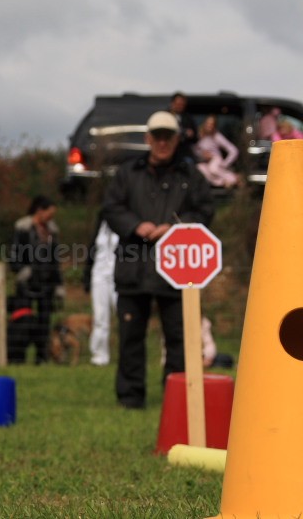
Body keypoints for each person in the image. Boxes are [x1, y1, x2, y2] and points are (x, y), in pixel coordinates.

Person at [102, 111, 214, 409]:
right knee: (130, 338)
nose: (163, 142)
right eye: (158, 136)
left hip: (177, 271)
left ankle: (176, 398)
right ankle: (130, 398)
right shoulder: (127, 173)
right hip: (133, 266)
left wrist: (176, 227)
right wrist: (135, 226)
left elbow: (205, 212)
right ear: (148, 139)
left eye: (169, 137)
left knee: (179, 339)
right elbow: (111, 208)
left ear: (177, 139)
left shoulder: (192, 176)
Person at [9, 195, 64, 365]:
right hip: (28, 281)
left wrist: (59, 284)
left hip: (47, 281)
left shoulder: (52, 232)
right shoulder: (23, 228)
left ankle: (42, 357)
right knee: (23, 320)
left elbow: (55, 260)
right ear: (40, 210)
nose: (51, 217)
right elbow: (14, 252)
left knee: (44, 321)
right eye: (49, 213)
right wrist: (21, 269)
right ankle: (18, 355)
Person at [83, 213, 119, 367]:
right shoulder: (102, 224)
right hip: (99, 275)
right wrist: (86, 276)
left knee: (124, 315)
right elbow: (92, 249)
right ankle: (99, 356)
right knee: (100, 317)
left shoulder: (130, 219)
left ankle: (127, 354)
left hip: (120, 275)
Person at [194, 114, 240, 188]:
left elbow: (234, 150)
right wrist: (202, 155)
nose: (209, 126)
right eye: (208, 124)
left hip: (216, 159)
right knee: (200, 169)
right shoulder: (200, 135)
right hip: (204, 161)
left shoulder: (217, 136)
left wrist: (225, 164)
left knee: (213, 169)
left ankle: (233, 178)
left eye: (212, 124)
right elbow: (195, 150)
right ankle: (223, 182)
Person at [168, 92, 198, 160]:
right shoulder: (165, 115)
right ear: (172, 103)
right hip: (168, 149)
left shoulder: (188, 118)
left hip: (183, 151)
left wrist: (191, 134)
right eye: (178, 104)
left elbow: (196, 137)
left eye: (182, 105)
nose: (180, 106)